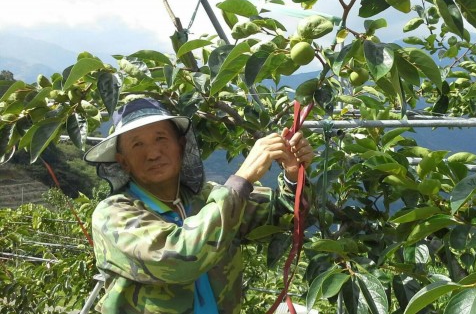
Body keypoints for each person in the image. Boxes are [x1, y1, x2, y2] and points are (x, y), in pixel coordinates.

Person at [84, 98, 314, 314]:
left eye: (161, 138)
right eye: (137, 144)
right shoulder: (113, 215)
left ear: (181, 145)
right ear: (123, 162)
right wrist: (242, 179)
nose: (153, 153)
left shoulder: (208, 198)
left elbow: (281, 218)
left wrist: (293, 175)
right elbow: (178, 258)